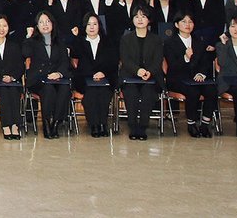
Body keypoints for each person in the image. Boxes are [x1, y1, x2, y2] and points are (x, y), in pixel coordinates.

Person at [163, 11, 217, 138]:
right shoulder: (170, 43)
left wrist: (202, 74)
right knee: (193, 91)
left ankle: (205, 123)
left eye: (190, 22)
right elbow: (173, 66)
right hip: (178, 79)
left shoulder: (199, 42)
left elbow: (205, 62)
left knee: (212, 90)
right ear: (176, 25)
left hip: (197, 78)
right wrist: (186, 58)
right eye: (184, 21)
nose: (187, 24)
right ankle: (191, 123)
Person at [119, 9, 164, 140]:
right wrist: (138, 71)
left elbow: (158, 60)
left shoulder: (156, 39)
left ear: (148, 20)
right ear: (132, 19)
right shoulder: (126, 39)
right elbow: (125, 60)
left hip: (151, 77)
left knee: (148, 93)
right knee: (131, 93)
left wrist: (149, 72)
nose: (140, 19)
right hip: (130, 76)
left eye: (143, 16)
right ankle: (133, 126)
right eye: (136, 16)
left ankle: (143, 126)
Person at [26, 10, 72, 139]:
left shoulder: (59, 41)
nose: (45, 24)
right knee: (48, 89)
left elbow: (65, 62)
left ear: (52, 23)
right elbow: (25, 53)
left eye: (47, 21)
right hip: (38, 80)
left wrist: (59, 73)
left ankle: (55, 123)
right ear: (37, 25)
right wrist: (28, 37)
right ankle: (46, 124)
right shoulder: (32, 41)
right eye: (41, 22)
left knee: (65, 88)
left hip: (57, 79)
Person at [71, 13, 116, 138]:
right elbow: (76, 64)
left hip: (105, 78)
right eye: (89, 24)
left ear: (99, 26)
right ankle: (94, 125)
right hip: (85, 78)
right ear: (84, 27)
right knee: (91, 93)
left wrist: (103, 73)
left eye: (95, 24)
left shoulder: (108, 42)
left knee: (103, 92)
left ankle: (103, 124)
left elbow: (112, 62)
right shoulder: (79, 42)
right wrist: (92, 75)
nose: (92, 27)